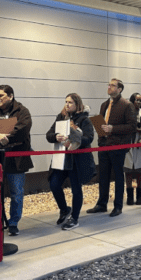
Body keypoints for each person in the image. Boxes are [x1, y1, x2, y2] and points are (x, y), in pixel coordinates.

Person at [0, 85, 34, 236]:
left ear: (10, 96)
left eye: (1, 96)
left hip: (15, 158)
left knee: (16, 192)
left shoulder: (22, 111)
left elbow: (22, 130)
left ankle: (14, 222)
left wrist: (4, 140)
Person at [45, 93, 96, 230]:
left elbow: (88, 138)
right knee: (54, 184)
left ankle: (75, 218)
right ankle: (64, 209)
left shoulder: (84, 120)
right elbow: (48, 135)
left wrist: (74, 136)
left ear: (77, 104)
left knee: (76, 189)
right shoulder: (61, 117)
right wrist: (57, 136)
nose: (67, 105)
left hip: (76, 160)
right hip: (61, 159)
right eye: (66, 102)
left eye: (70, 102)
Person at [86, 79, 136, 217]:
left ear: (119, 89)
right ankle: (102, 204)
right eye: (108, 85)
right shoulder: (104, 104)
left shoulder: (127, 105)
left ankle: (118, 206)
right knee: (103, 176)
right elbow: (102, 123)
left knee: (118, 176)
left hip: (118, 146)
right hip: (104, 145)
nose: (109, 87)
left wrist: (113, 128)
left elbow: (132, 126)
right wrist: (100, 135)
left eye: (112, 85)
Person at [123, 93, 141, 206]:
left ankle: (139, 196)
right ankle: (129, 196)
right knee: (128, 171)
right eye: (137, 100)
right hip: (129, 145)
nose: (139, 102)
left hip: (140, 145)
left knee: (139, 171)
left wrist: (140, 130)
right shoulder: (126, 113)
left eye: (140, 100)